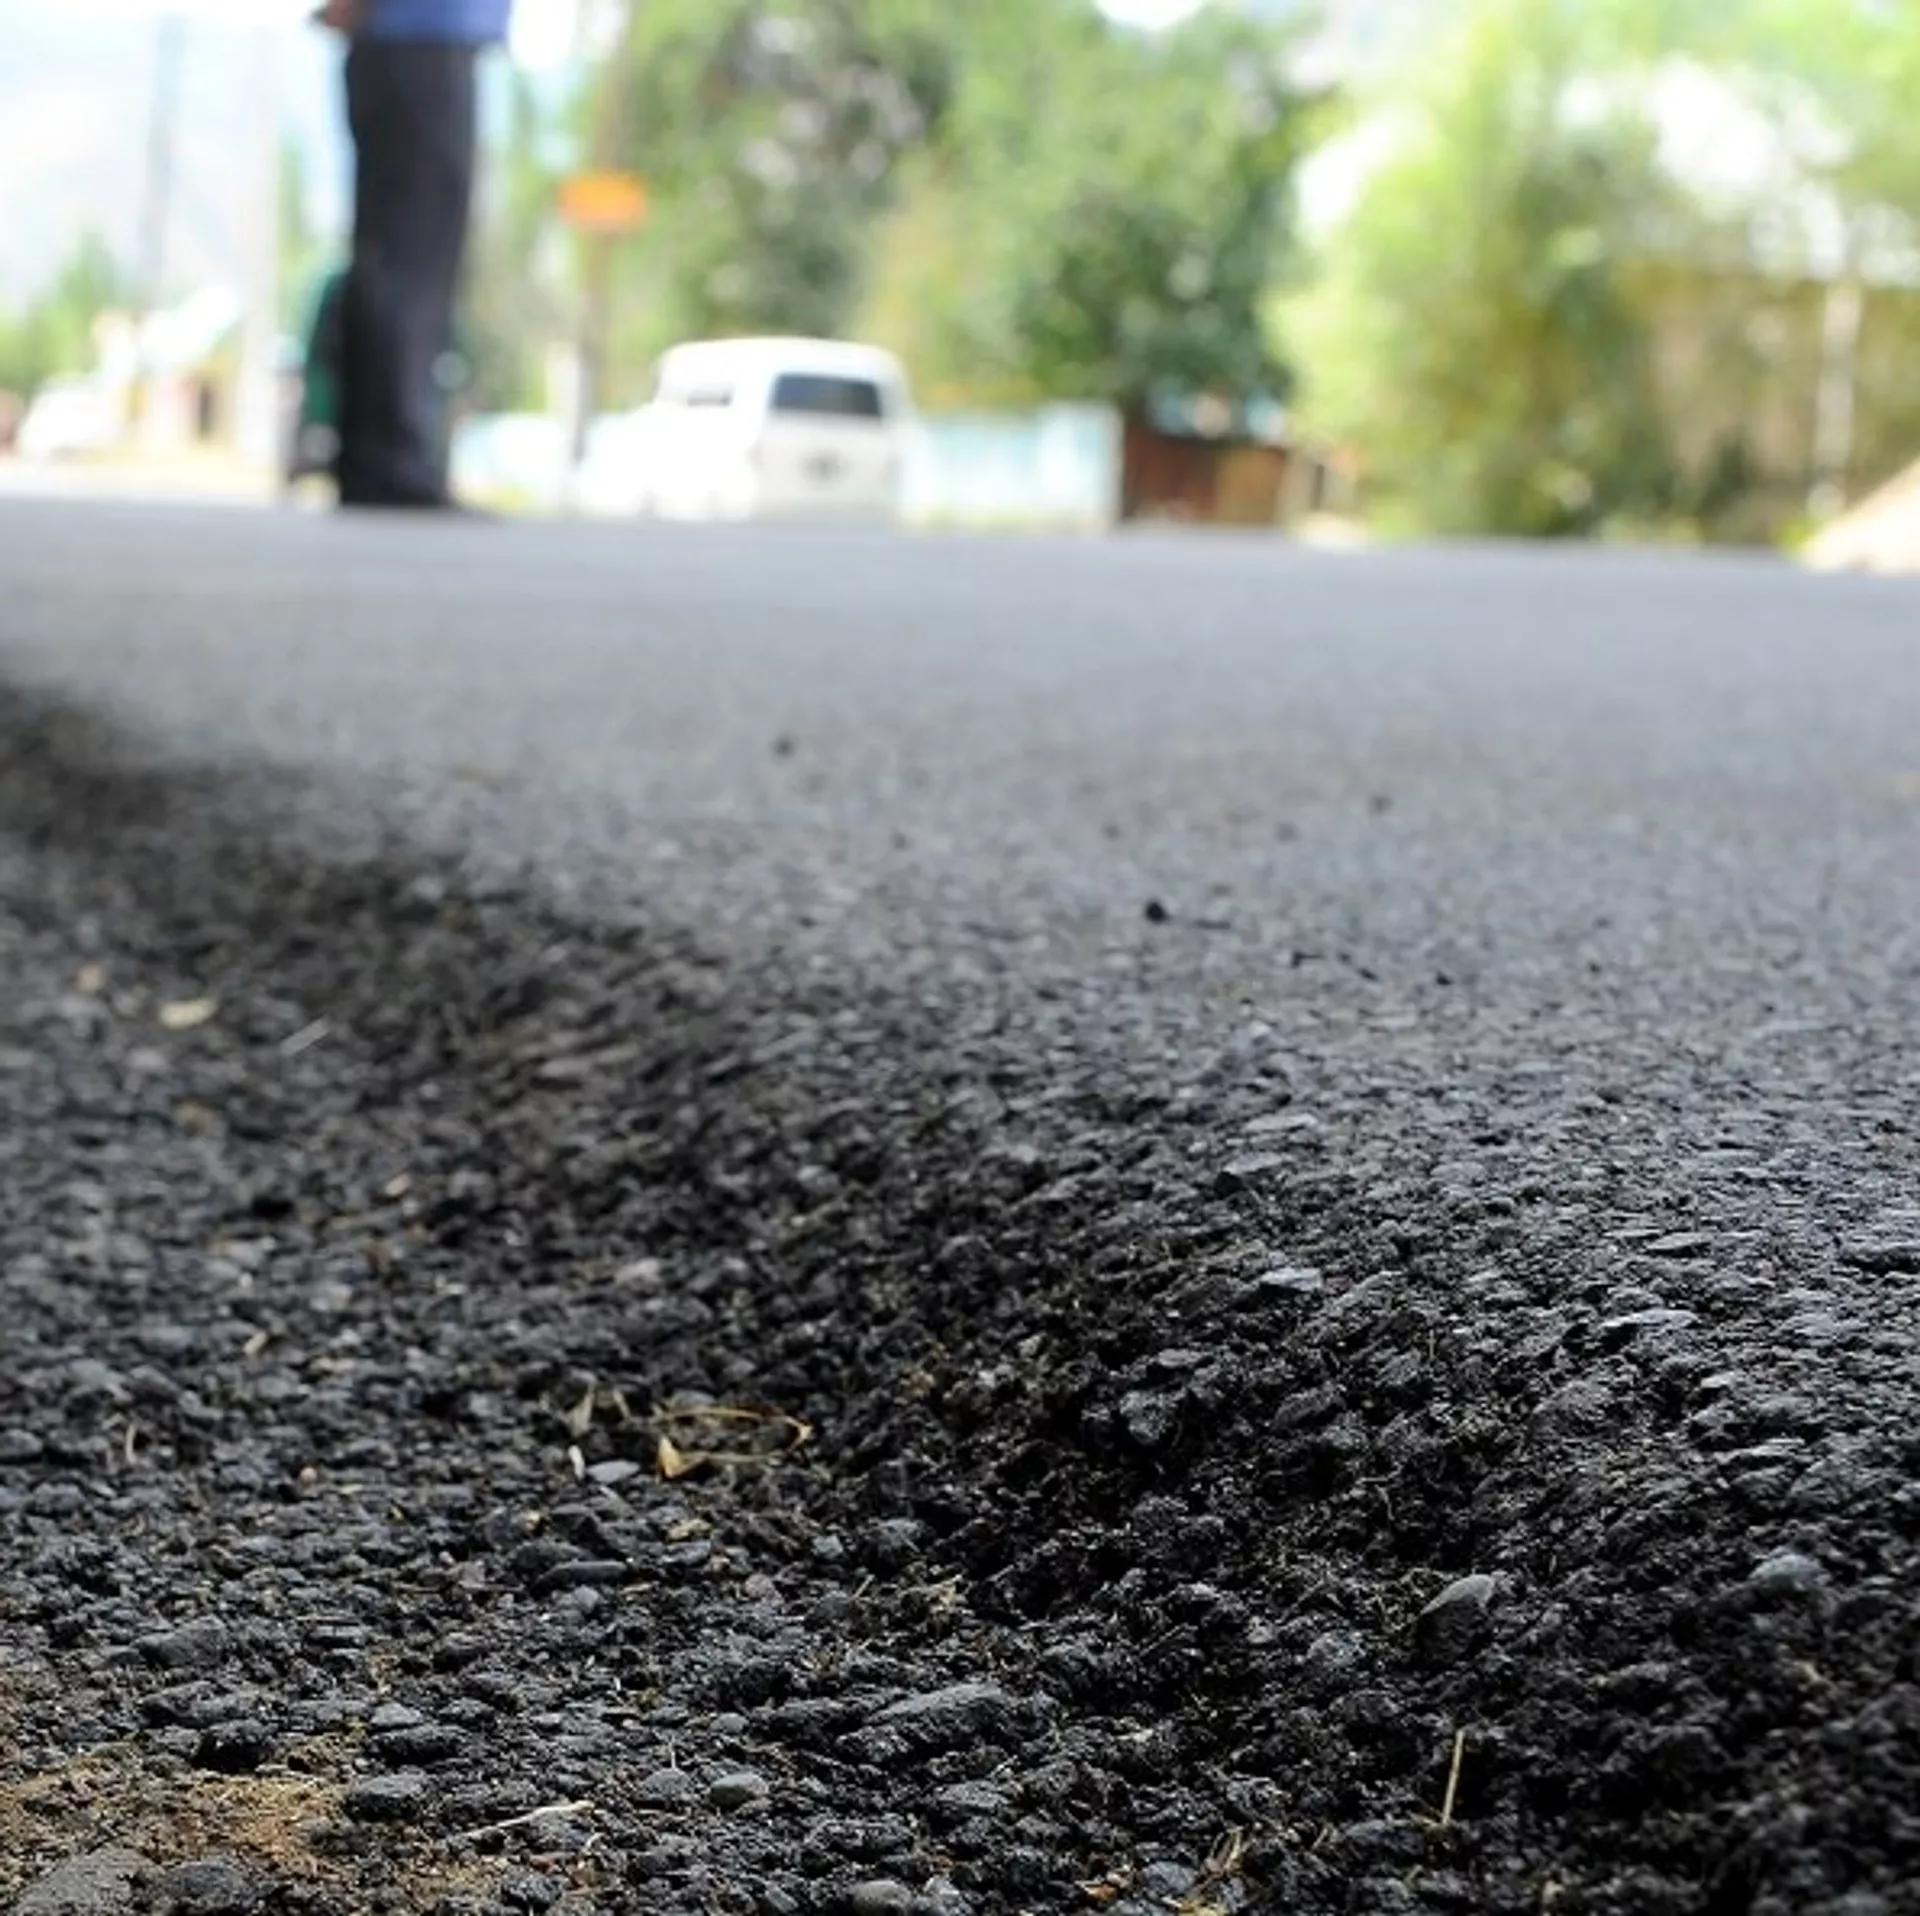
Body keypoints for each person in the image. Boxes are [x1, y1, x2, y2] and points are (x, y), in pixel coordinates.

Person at [314, 0, 511, 509]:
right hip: (420, 44)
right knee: (412, 256)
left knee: (399, 251)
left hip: (412, 44)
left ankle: (376, 457)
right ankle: (391, 458)